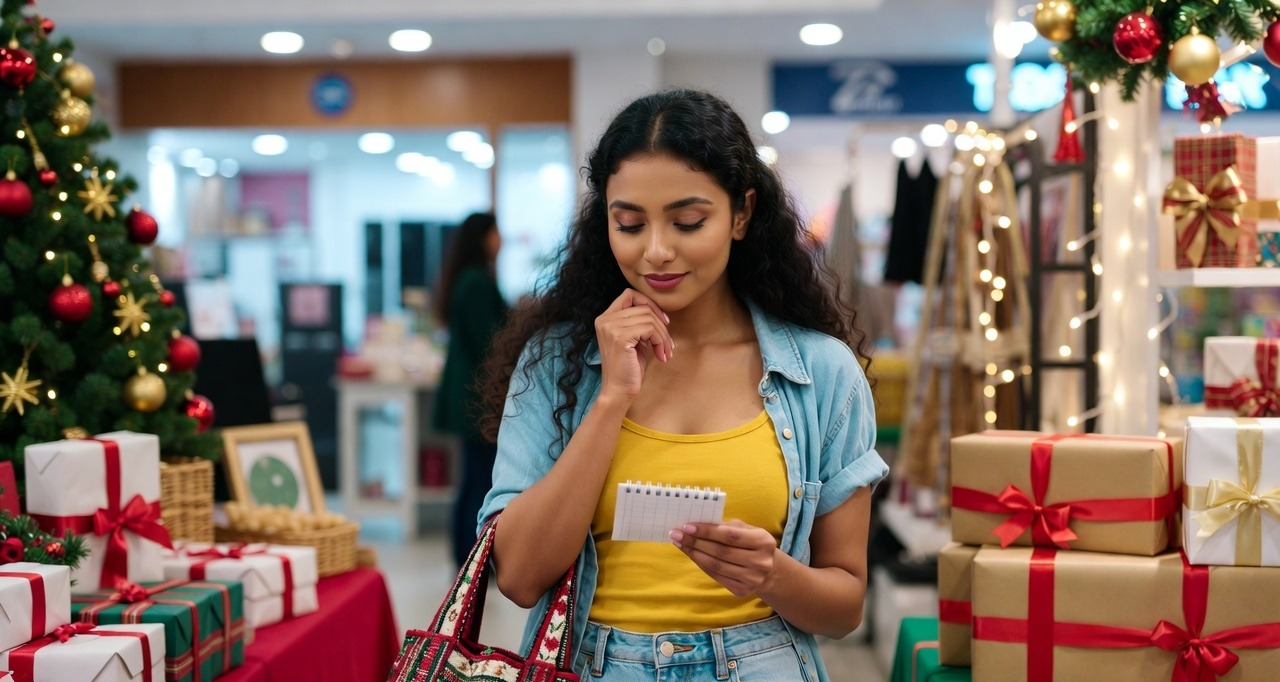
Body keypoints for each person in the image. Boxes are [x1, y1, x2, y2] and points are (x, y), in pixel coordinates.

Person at [476, 89, 887, 682]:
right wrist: (612, 398)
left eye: (688, 221)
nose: (657, 252)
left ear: (741, 213)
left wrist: (772, 574)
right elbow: (517, 577)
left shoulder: (822, 374)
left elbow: (844, 606)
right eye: (630, 224)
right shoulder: (555, 364)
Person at [432, 211, 507, 570]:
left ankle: (465, 556)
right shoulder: (476, 282)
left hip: (470, 396)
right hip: (477, 398)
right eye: (496, 233)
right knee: (478, 480)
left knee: (472, 478)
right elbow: (490, 341)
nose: (501, 240)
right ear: (483, 238)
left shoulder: (467, 279)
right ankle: (470, 560)